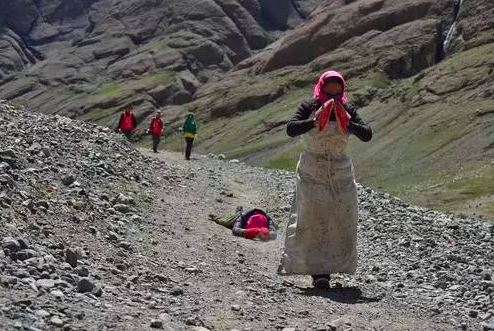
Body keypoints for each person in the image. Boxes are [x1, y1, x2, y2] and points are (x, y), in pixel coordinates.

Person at [278, 70, 372, 289]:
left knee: (339, 218)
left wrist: (347, 123)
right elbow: (291, 129)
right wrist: (314, 121)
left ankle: (332, 265)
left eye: (337, 93)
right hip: (312, 170)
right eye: (328, 92)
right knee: (312, 217)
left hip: (340, 171)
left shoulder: (348, 109)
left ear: (342, 91)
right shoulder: (308, 106)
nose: (332, 98)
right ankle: (319, 272)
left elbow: (367, 134)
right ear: (320, 89)